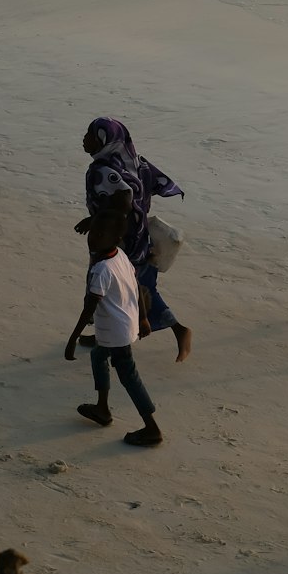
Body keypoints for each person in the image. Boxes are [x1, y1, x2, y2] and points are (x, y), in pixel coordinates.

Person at [75, 117, 192, 361]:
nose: (84, 139)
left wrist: (95, 221)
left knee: (122, 288)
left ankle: (179, 330)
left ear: (105, 140)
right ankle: (102, 337)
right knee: (136, 286)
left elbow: (124, 199)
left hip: (118, 241)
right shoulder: (136, 161)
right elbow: (153, 184)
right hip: (140, 238)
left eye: (90, 134)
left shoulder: (103, 169)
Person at [65, 210, 163, 447]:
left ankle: (152, 428)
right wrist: (143, 318)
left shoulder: (101, 270)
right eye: (93, 232)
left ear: (116, 238)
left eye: (101, 234)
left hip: (116, 332)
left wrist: (72, 339)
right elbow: (136, 285)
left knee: (129, 376)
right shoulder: (119, 255)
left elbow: (89, 308)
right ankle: (102, 408)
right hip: (124, 324)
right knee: (99, 356)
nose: (94, 238)